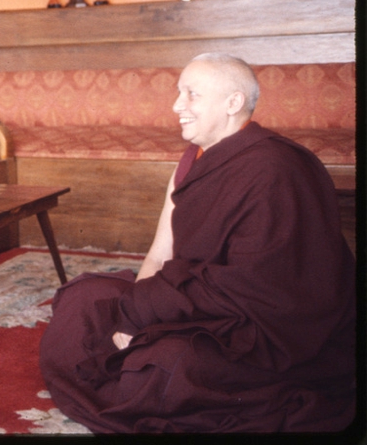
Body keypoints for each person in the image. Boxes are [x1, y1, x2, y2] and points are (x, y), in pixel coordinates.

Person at [39, 53, 356, 433]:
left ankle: (143, 375)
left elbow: (260, 287)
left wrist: (147, 316)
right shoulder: (191, 160)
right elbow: (160, 252)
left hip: (257, 326)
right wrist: (133, 315)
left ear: (233, 103)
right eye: (178, 93)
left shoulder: (275, 168)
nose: (177, 106)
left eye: (191, 94)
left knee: (167, 366)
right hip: (192, 300)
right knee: (81, 302)